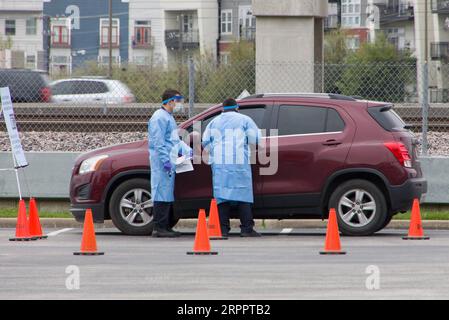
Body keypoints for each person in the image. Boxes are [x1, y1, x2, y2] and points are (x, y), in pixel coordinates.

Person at [202, 98, 261, 237]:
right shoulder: (245, 120)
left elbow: (205, 142)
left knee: (222, 195)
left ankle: (223, 229)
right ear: (237, 107)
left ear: (222, 108)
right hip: (239, 160)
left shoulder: (213, 122)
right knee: (243, 194)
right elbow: (255, 139)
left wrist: (216, 151)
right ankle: (246, 228)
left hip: (220, 162)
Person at [148, 89, 192, 238]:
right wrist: (165, 160)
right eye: (178, 100)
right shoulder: (159, 117)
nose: (179, 104)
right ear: (170, 101)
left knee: (166, 193)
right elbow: (158, 143)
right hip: (162, 162)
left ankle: (165, 226)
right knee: (161, 193)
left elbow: (174, 140)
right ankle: (159, 227)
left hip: (169, 160)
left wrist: (187, 150)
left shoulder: (168, 117)